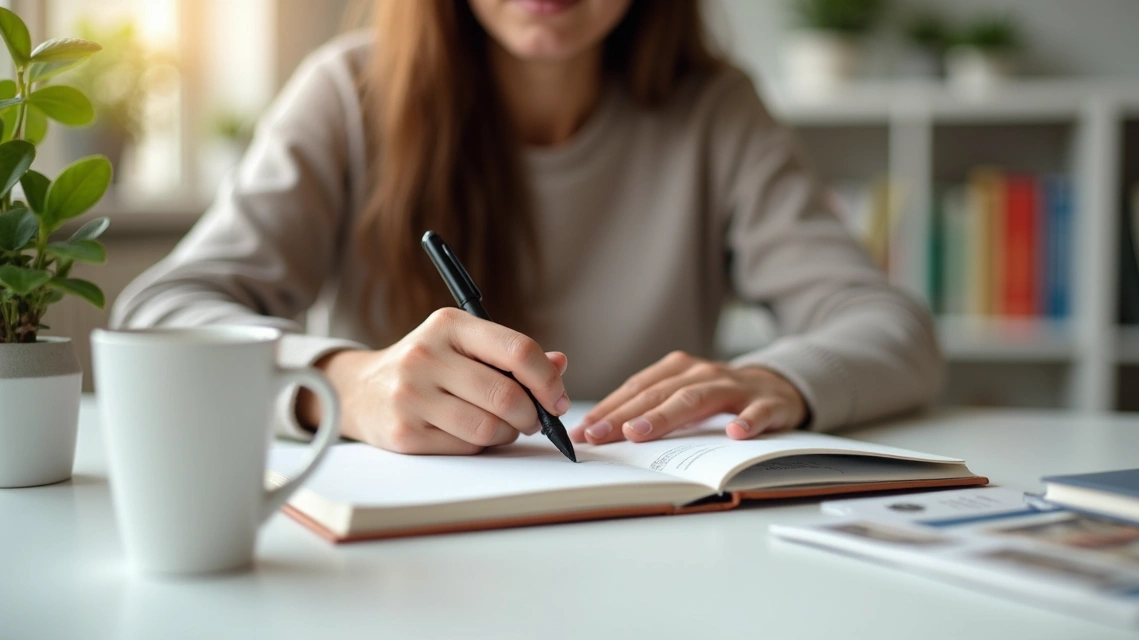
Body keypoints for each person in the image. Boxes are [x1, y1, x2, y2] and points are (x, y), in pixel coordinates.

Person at [113, 0, 943, 455]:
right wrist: (344, 383)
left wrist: (784, 382)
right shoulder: (346, 94)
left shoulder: (715, 112)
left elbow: (892, 326)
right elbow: (163, 313)